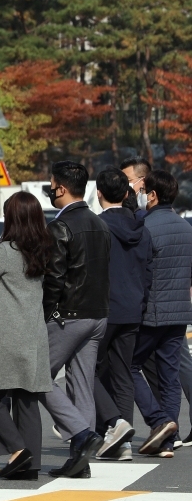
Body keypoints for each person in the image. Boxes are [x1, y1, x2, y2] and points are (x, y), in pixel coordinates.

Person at [0, 192, 54, 480]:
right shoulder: (44, 249)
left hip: (8, 333)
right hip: (35, 333)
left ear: (11, 218)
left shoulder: (4, 251)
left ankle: (18, 451)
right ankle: (29, 467)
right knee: (26, 399)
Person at [38, 161, 109, 477]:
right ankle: (80, 462)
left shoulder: (59, 227)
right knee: (81, 384)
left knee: (35, 375)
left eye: (51, 184)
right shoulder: (99, 223)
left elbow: (54, 278)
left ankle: (81, 434)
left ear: (61, 188)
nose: (50, 189)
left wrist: (45, 315)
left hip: (68, 315)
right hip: (97, 315)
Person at [128, 169, 192, 458]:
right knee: (169, 377)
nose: (142, 197)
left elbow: (140, 273)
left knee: (127, 365)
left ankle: (160, 421)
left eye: (144, 192)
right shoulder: (186, 228)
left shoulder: (145, 227)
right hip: (179, 313)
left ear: (152, 195)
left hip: (150, 312)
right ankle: (168, 440)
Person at [92, 168, 152, 461]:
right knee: (123, 373)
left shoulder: (97, 227)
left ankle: (114, 424)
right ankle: (122, 444)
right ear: (127, 194)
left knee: (85, 369)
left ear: (99, 193)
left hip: (103, 308)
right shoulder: (141, 227)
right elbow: (148, 270)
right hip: (133, 307)